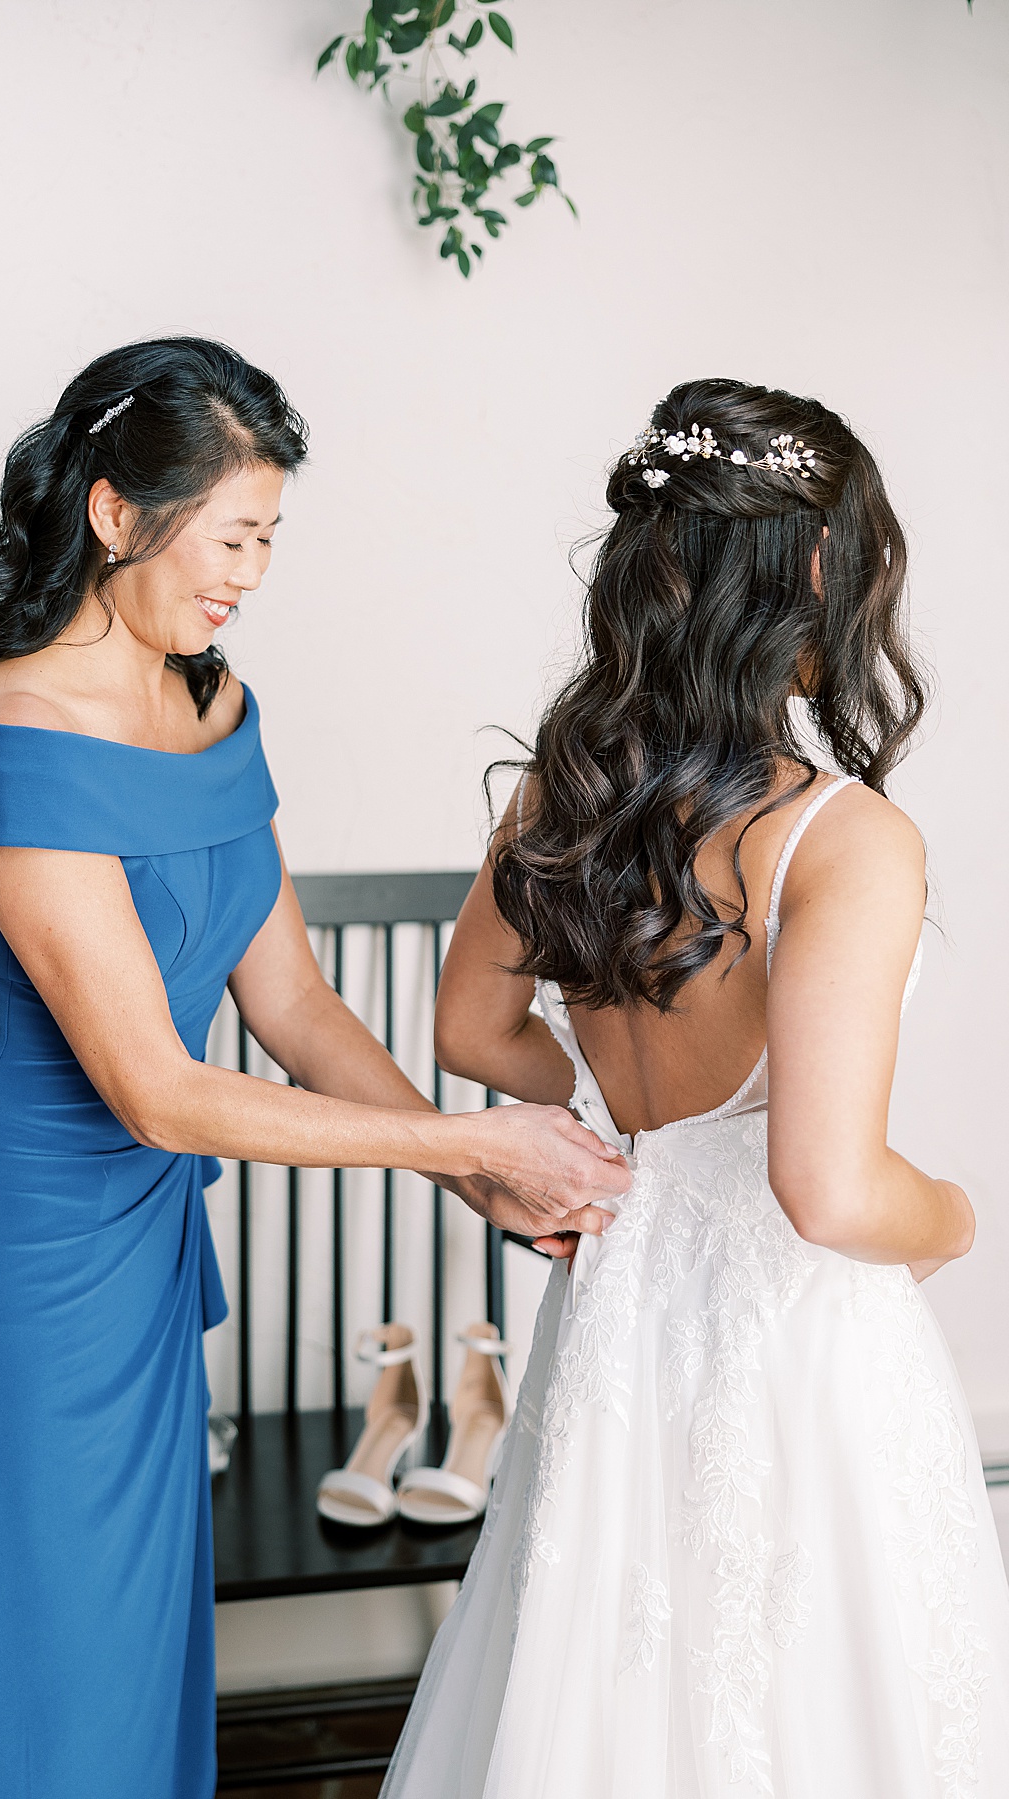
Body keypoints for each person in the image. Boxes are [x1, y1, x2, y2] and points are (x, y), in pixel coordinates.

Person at [0, 336, 629, 1799]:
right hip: (1, 1241)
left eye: (270, 539)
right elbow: (156, 1087)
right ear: (116, 513)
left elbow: (299, 1007)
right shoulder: (13, 732)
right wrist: (473, 1145)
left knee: (123, 1641)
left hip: (128, 1239)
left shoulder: (213, 705)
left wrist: (487, 1187)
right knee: (13, 1644)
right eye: (232, 533)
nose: (250, 572)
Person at [381, 379, 1009, 1798]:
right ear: (816, 580)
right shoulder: (843, 836)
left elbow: (471, 1028)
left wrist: (616, 1140)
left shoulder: (563, 794)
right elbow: (830, 1188)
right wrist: (955, 1216)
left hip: (627, 1290)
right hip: (796, 1343)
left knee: (607, 1674)